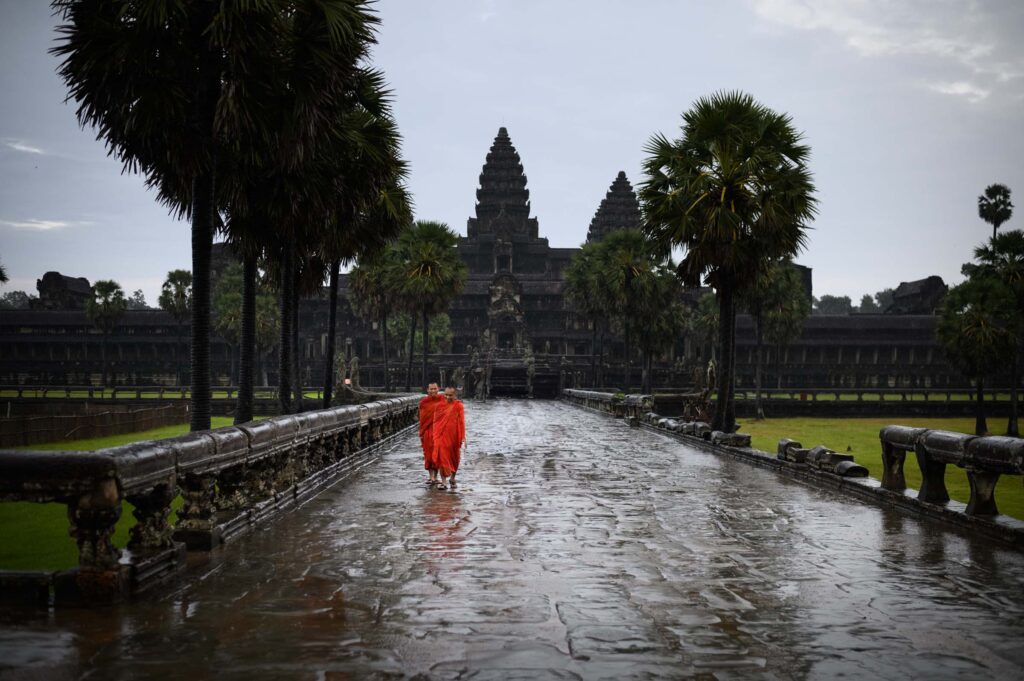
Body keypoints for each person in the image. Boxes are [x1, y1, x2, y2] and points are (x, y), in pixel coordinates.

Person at [432, 385, 466, 490]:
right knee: (442, 457)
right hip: (441, 436)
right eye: (446, 395)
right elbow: (435, 422)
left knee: (455, 458)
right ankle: (444, 482)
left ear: (455, 395)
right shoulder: (439, 406)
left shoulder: (458, 406)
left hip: (454, 436)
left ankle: (452, 478)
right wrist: (435, 436)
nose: (447, 397)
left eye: (450, 395)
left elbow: (461, 422)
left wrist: (463, 437)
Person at [418, 383, 444, 486]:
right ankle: (431, 477)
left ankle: (436, 477)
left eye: (435, 389)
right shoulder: (424, 402)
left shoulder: (443, 400)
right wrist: (422, 431)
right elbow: (422, 418)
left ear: (438, 389)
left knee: (437, 455)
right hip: (427, 431)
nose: (433, 391)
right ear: (427, 390)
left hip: (439, 431)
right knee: (428, 454)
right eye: (431, 389)